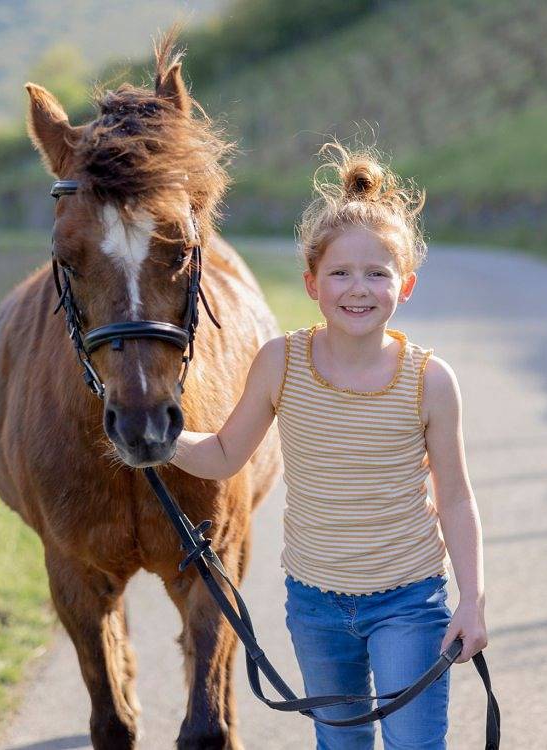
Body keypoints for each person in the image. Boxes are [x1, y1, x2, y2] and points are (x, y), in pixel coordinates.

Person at [170, 142, 487, 750]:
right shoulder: (280, 362)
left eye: (377, 273)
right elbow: (225, 454)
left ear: (406, 285)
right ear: (312, 283)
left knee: (415, 745)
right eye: (340, 273)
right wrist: (159, 442)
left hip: (408, 600)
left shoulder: (430, 381)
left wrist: (471, 601)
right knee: (340, 744)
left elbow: (455, 499)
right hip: (314, 604)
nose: (358, 289)